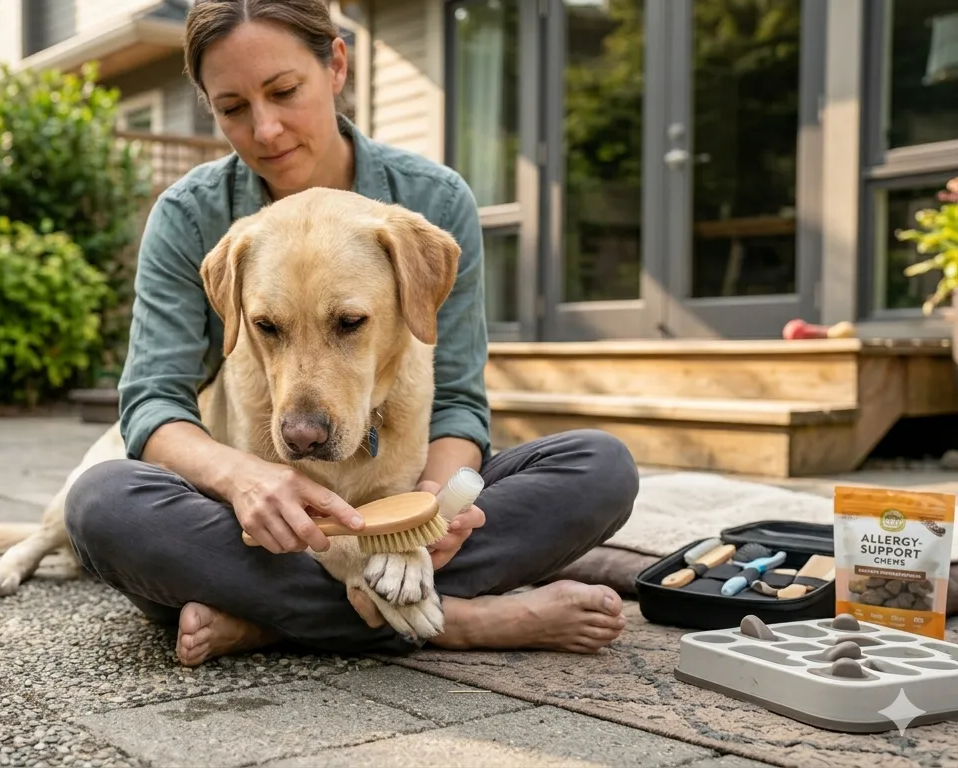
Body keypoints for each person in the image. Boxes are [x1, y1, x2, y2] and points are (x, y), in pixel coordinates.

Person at [64, 0, 640, 667]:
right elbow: (153, 403)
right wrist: (243, 478)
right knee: (103, 506)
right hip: (256, 511)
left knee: (599, 468)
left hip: (392, 489)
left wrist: (433, 513)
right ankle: (457, 620)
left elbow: (456, 401)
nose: (266, 128)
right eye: (232, 108)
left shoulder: (431, 203)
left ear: (335, 64)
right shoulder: (190, 217)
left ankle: (268, 621)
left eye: (284, 92)